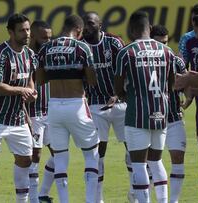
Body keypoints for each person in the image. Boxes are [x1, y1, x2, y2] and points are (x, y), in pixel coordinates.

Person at [35, 15, 99, 203]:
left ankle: (64, 200)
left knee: (60, 156)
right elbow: (93, 80)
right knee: (91, 153)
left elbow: (40, 80)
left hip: (53, 107)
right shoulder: (82, 47)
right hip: (76, 105)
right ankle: (90, 200)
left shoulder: (46, 48)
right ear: (78, 31)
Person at [115, 11, 176, 203]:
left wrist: (129, 96)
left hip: (137, 114)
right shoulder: (167, 51)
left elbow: (118, 88)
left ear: (131, 30)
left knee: (139, 164)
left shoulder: (126, 52)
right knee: (156, 162)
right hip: (161, 113)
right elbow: (172, 83)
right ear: (150, 28)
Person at [0, 13, 37, 203]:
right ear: (11, 32)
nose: (26, 34)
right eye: (22, 30)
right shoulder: (0, 53)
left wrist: (31, 93)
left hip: (18, 118)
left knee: (26, 160)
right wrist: (22, 90)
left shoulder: (29, 54)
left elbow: (30, 84)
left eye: (28, 29)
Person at [81, 12, 128, 203]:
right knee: (97, 153)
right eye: (84, 23)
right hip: (95, 105)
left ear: (100, 25)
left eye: (90, 23)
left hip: (120, 103)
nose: (86, 27)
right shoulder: (80, 46)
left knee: (133, 149)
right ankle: (97, 198)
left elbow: (128, 69)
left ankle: (136, 192)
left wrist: (118, 94)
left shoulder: (114, 43)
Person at [151, 24, 187, 203]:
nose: (164, 47)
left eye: (166, 42)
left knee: (178, 160)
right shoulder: (142, 59)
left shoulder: (176, 60)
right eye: (159, 42)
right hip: (151, 119)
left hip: (173, 117)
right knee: (150, 163)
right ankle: (137, 194)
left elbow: (186, 82)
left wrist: (187, 98)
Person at [26, 20, 54, 203]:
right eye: (44, 37)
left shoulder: (51, 54)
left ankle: (42, 193)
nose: (48, 41)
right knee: (35, 155)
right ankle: (33, 198)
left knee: (58, 152)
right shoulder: (27, 56)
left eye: (50, 37)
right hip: (34, 113)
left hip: (52, 112)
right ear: (33, 36)